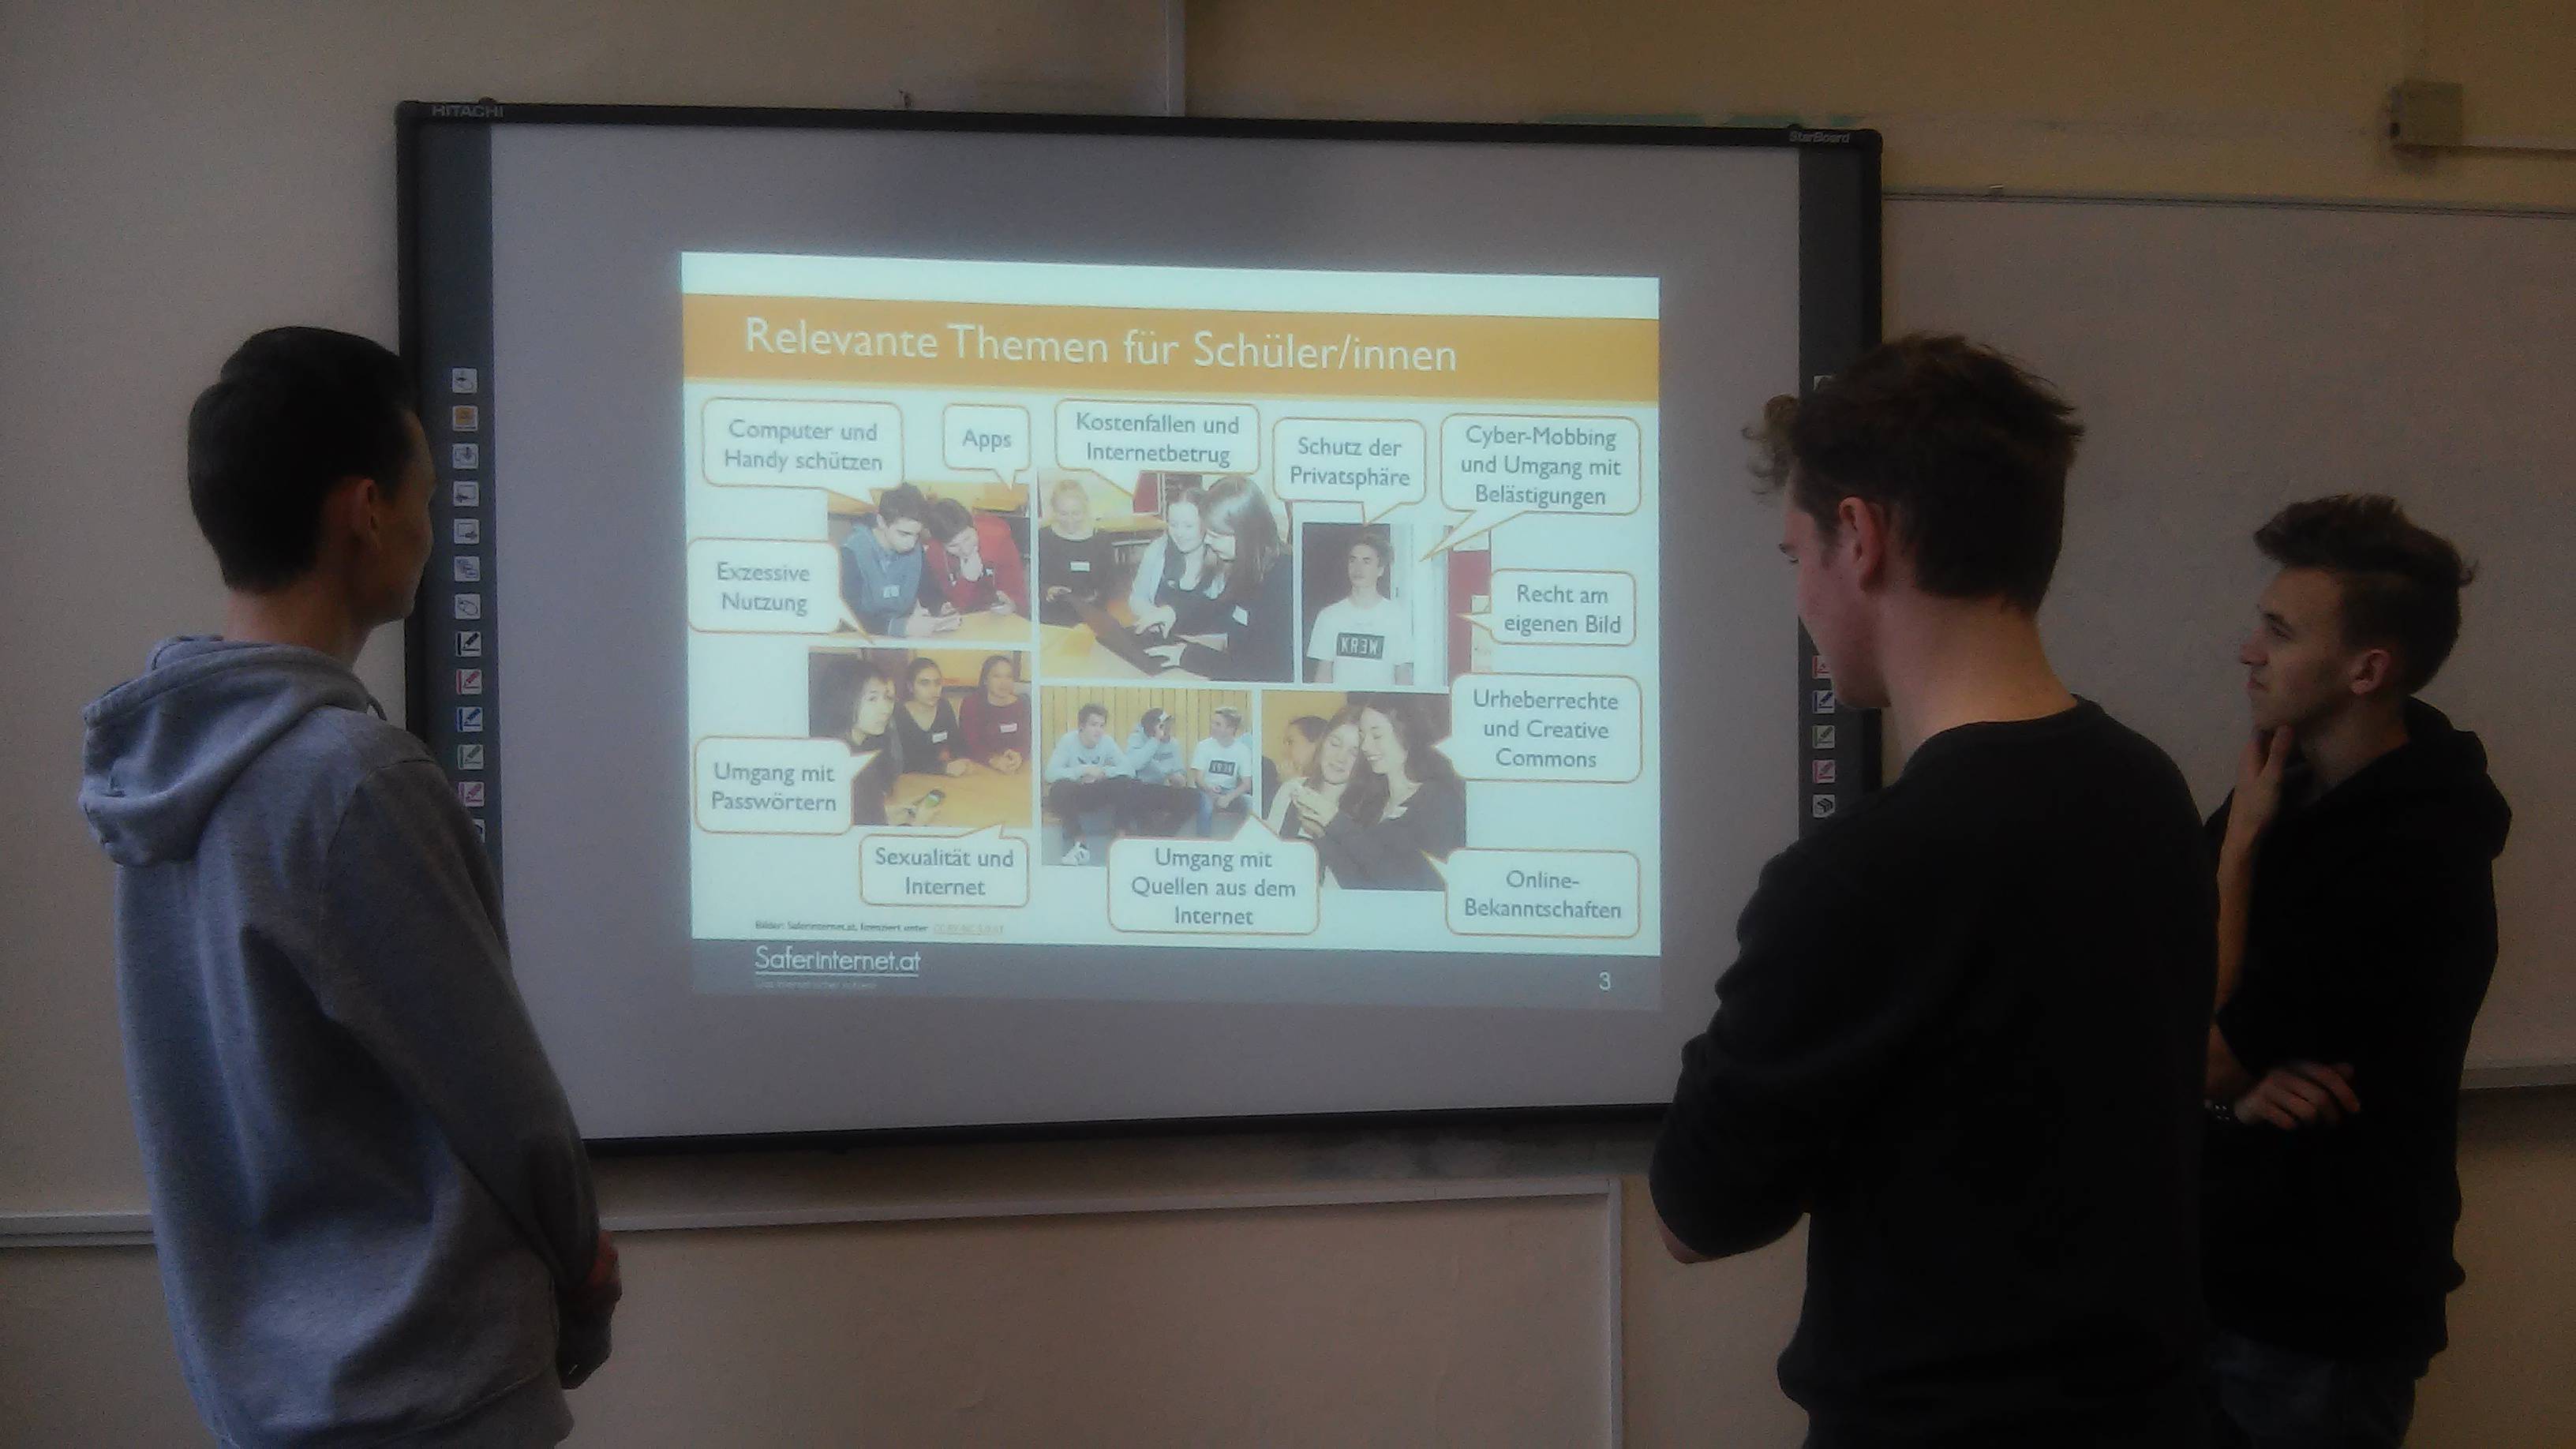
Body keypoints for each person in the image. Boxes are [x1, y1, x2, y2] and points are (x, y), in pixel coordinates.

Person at [1647, 335, 2215, 1447]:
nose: (1800, 595)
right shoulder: (2148, 789)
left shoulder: (1861, 875)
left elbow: (1692, 1217)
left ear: (1859, 538)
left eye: (1796, 554)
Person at [75, 328, 619, 1447]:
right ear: (365, 509)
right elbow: (502, 1097)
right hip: (427, 1393)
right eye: (429, 493)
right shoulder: (351, 782)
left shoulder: (161, 772)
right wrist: (585, 1269)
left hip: (268, 1399)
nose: (433, 526)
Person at [2200, 496, 2507, 1449]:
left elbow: (2199, 1052)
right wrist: (2232, 1092)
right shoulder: (2282, 785)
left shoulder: (2413, 853)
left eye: (2281, 632)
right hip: (2220, 1279)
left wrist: (2236, 862)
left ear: (2368, 670)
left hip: (2318, 1324)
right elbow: (2151, 994)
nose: (2249, 651)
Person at [1143, 476, 1292, 680]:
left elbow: (1263, 671)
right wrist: (1173, 612)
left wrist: (1189, 656)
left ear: (1245, 533)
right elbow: (1220, 605)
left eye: (1216, 536)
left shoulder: (1283, 580)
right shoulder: (1249, 563)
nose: (1207, 541)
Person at [1312, 695, 1464, 889]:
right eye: (1363, 736)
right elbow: (1358, 881)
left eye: (1376, 736)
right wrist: (1322, 835)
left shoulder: (1438, 802)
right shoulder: (1371, 801)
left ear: (1406, 734)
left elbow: (1413, 884)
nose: (1365, 746)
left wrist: (1336, 823)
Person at [822, 658, 937, 827]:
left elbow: (860, 819)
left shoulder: (854, 748)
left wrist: (883, 814)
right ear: (845, 699)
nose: (886, 709)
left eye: (887, 698)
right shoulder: (843, 762)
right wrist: (918, 824)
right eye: (872, 699)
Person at [840, 482, 960, 638]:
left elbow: (929, 590)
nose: (911, 543)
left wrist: (941, 608)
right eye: (904, 534)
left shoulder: (915, 548)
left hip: (901, 638)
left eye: (916, 535)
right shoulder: (851, 552)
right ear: (882, 522)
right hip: (860, 637)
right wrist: (900, 627)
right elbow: (848, 615)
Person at [1307, 530, 1413, 686]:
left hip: (1380, 701)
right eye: (1353, 560)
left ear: (1381, 569)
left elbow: (1403, 673)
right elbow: (1324, 672)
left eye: (1366, 561)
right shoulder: (1329, 616)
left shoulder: (1396, 616)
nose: (1358, 568)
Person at [1043, 701, 1128, 863]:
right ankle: (1080, 844)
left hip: (1096, 791)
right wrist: (1083, 770)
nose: (1098, 730)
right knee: (1059, 788)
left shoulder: (1107, 742)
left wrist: (1102, 773)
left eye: (1102, 726)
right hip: (1076, 792)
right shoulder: (1068, 741)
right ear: (1081, 726)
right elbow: (1050, 774)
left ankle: (1121, 841)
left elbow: (1128, 768)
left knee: (1125, 783)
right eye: (1093, 725)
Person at [1125, 485, 1224, 619]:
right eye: (1173, 525)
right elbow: (1137, 598)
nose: (1179, 534)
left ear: (1206, 524)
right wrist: (1157, 619)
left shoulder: (1222, 559)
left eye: (1188, 526)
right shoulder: (1158, 549)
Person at [1265, 710, 1361, 848]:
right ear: (1322, 743)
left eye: (1354, 752)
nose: (1340, 758)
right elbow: (1268, 850)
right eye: (1335, 744)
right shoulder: (1290, 789)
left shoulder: (1366, 811)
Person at [923, 496, 1029, 617]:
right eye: (953, 546)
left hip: (998, 617)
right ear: (941, 544)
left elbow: (1020, 600)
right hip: (965, 619)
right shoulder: (935, 553)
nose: (965, 549)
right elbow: (951, 609)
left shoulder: (999, 540)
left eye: (967, 538)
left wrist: (1012, 605)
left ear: (973, 525)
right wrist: (968, 580)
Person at [1037, 479, 1117, 625]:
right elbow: (1034, 581)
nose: (1070, 520)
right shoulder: (1043, 537)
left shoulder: (1101, 539)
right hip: (1053, 615)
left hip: (1091, 614)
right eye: (1063, 514)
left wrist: (1092, 599)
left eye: (1076, 513)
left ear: (1085, 510)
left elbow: (1110, 583)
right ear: (1054, 511)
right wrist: (1047, 591)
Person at [1117, 706, 1196, 836]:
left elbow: (1180, 770)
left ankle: (1164, 834)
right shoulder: (1137, 739)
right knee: (1130, 791)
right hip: (1141, 788)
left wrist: (1179, 778)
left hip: (1163, 787)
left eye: (1168, 725)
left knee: (1193, 798)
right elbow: (1135, 764)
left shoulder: (1174, 744)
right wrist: (1155, 740)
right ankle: (1143, 833)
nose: (1168, 729)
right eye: (1163, 726)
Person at [891, 656, 972, 778]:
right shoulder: (898, 713)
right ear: (910, 687)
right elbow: (903, 762)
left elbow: (957, 745)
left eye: (937, 683)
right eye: (925, 683)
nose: (933, 690)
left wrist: (962, 760)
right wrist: (942, 768)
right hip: (909, 780)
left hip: (942, 779)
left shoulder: (944, 707)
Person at [1189, 706, 1260, 837]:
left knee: (1251, 802)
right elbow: (1198, 778)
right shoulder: (1203, 746)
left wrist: (1228, 798)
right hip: (1205, 790)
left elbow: (1246, 784)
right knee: (1206, 804)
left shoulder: (1243, 750)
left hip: (1229, 792)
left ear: (1231, 729)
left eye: (1218, 724)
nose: (1212, 727)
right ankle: (1204, 842)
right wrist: (1209, 789)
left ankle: (1250, 841)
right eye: (1213, 723)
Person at [956, 653, 1032, 773]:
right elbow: (970, 744)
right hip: (978, 767)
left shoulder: (1022, 704)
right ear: (985, 680)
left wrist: (1018, 755)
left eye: (1009, 677)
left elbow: (1026, 741)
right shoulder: (971, 704)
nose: (1004, 682)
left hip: (1012, 768)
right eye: (997, 676)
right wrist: (993, 760)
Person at [1263, 713, 1328, 818]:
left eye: (1291, 742)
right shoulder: (1280, 781)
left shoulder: (1327, 788)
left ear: (1317, 745)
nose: (1284, 751)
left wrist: (1291, 784)